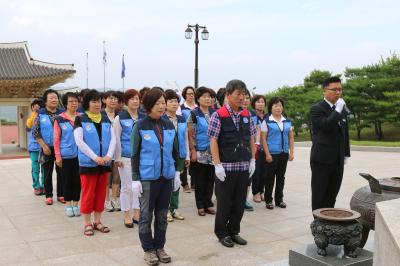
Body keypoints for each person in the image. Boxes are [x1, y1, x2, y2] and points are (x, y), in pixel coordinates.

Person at [130, 88, 180, 265]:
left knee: (162, 214)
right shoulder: (140, 126)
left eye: (163, 103)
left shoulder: (168, 125)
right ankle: (148, 249)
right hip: (148, 178)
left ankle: (160, 246)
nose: (161, 106)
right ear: (149, 105)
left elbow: (176, 151)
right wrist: (135, 178)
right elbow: (134, 154)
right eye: (158, 103)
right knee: (145, 216)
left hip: (166, 176)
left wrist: (177, 173)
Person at [208, 79, 256, 248]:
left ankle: (234, 231)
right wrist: (217, 164)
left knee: (239, 202)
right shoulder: (218, 115)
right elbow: (213, 141)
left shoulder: (246, 114)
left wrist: (253, 160)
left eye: (244, 94)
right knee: (224, 203)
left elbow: (251, 137)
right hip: (226, 168)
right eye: (238, 94)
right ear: (228, 95)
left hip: (243, 167)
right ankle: (222, 233)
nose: (242, 97)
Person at [74, 89, 115, 236]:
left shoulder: (105, 119)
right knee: (88, 192)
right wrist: (94, 157)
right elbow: (79, 141)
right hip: (88, 163)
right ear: (87, 103)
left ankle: (97, 221)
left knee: (100, 193)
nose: (97, 104)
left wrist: (109, 155)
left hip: (104, 163)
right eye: (93, 101)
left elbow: (113, 139)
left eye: (98, 101)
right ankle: (87, 223)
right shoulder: (81, 119)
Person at [310, 77, 350, 211]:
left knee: (332, 194)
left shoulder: (341, 108)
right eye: (334, 89)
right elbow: (326, 125)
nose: (338, 92)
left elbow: (344, 132)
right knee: (319, 194)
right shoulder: (317, 109)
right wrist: (338, 111)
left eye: (340, 89)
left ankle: (328, 221)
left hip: (337, 160)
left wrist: (346, 153)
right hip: (322, 159)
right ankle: (318, 223)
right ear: (324, 91)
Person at [114, 89, 144, 228]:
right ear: (126, 102)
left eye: (137, 98)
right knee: (126, 187)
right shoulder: (120, 118)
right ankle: (126, 214)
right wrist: (117, 157)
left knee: (138, 186)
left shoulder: (143, 117)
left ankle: (137, 213)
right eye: (132, 99)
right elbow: (116, 139)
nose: (135, 101)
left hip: (142, 157)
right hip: (125, 157)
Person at [261, 97, 294, 210]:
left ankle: (279, 199)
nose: (278, 108)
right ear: (271, 108)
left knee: (281, 177)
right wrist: (267, 154)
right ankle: (268, 200)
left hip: (284, 153)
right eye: (275, 106)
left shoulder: (287, 121)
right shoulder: (267, 121)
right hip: (272, 153)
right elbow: (263, 139)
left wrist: (291, 152)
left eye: (280, 105)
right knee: (269, 177)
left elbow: (290, 138)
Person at [188, 87, 216, 217]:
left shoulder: (215, 113)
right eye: (204, 96)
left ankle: (208, 203)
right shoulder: (194, 114)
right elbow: (191, 134)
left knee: (211, 179)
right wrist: (193, 150)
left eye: (209, 96)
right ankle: (200, 205)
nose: (208, 99)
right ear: (198, 98)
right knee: (200, 180)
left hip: (213, 151)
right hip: (200, 151)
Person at [33, 89, 64, 205]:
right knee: (47, 172)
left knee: (61, 172)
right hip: (47, 148)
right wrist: (44, 146)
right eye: (51, 98)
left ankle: (61, 194)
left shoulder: (62, 113)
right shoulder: (40, 113)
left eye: (55, 97)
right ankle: (49, 195)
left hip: (61, 148)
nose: (54, 99)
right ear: (45, 101)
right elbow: (35, 132)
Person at [54, 92, 81, 217]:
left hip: (80, 155)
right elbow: (56, 139)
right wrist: (58, 156)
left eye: (75, 101)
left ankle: (76, 204)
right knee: (67, 181)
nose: (74, 103)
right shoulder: (59, 119)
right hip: (66, 155)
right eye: (71, 101)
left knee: (78, 181)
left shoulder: (82, 117)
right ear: (65, 103)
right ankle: (68, 205)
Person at [163, 89, 189, 222]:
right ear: (165, 103)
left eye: (176, 101)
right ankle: (165, 209)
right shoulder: (161, 119)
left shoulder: (181, 118)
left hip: (180, 155)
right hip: (166, 156)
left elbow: (185, 138)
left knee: (177, 182)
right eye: (171, 101)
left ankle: (174, 208)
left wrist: (187, 156)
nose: (174, 104)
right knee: (167, 182)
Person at [102, 90, 121, 212]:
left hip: (118, 150)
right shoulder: (100, 115)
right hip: (105, 151)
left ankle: (115, 198)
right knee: (106, 176)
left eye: (115, 99)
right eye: (110, 98)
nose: (113, 101)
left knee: (116, 175)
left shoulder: (120, 116)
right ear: (104, 100)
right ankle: (106, 200)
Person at [179, 85, 197, 193]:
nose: (191, 95)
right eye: (189, 94)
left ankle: (194, 182)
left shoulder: (197, 107)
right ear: (185, 95)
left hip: (196, 136)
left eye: (192, 94)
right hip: (184, 136)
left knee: (195, 159)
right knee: (185, 159)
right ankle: (184, 183)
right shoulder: (181, 108)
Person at [251, 95, 268, 203]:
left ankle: (262, 191)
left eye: (262, 102)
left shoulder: (268, 116)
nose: (261, 104)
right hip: (255, 147)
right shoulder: (251, 115)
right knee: (256, 171)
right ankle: (255, 192)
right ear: (254, 104)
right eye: (258, 102)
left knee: (264, 171)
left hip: (266, 148)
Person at [27, 99, 45, 196]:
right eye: (34, 106)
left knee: (44, 168)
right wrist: (34, 113)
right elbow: (30, 126)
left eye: (38, 106)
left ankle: (44, 186)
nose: (36, 107)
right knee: (35, 168)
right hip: (34, 148)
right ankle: (36, 186)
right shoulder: (31, 118)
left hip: (44, 147)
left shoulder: (45, 117)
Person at [242, 89, 254, 212]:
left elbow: (252, 134)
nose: (245, 100)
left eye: (247, 98)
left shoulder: (250, 114)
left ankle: (244, 199)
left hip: (247, 150)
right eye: (243, 97)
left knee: (248, 178)